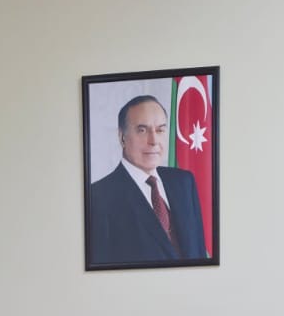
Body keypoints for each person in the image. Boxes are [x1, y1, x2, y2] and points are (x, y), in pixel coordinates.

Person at [86, 94, 208, 266]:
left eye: (160, 130)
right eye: (142, 130)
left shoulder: (184, 182)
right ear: (122, 137)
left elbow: (199, 252)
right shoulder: (98, 197)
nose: (154, 141)